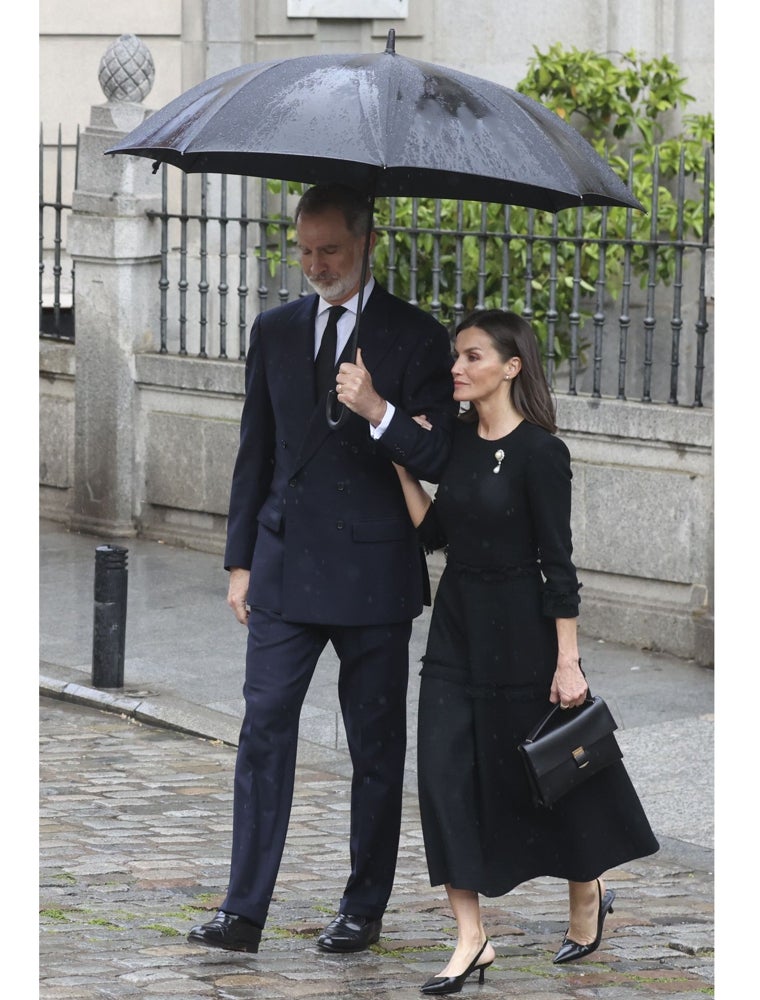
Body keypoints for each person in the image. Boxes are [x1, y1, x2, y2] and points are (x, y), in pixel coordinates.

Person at [187, 183, 458, 955]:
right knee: (263, 729)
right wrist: (240, 561)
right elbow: (255, 453)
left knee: (375, 749)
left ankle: (362, 908)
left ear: (368, 242)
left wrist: (378, 409)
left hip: (374, 574)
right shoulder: (273, 330)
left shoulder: (415, 336)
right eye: (303, 249)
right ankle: (243, 911)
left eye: (329, 250)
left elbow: (438, 455)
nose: (314, 264)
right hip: (282, 566)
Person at [381, 309, 659, 994]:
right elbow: (439, 532)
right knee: (444, 778)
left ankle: (586, 889)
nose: (458, 367)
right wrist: (400, 465)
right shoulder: (457, 442)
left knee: (542, 778)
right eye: (456, 356)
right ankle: (471, 939)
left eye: (472, 356)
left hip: (525, 636)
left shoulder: (541, 453)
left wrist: (568, 661)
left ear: (510, 367)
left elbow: (558, 567)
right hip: (456, 632)